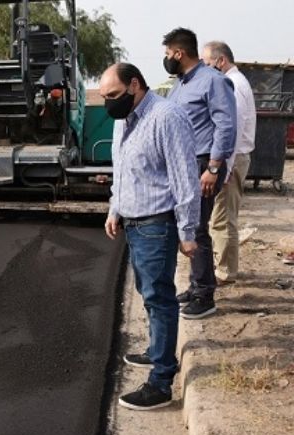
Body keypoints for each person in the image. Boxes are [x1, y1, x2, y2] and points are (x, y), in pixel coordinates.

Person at [100, 63, 201, 410]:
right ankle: (155, 350)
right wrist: (115, 208)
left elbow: (185, 177)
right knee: (148, 292)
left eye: (112, 95)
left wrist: (187, 231)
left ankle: (161, 382)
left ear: (134, 85)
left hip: (157, 224)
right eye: (103, 97)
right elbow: (123, 171)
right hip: (133, 221)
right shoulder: (122, 120)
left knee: (160, 298)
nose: (108, 103)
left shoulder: (165, 117)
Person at [163, 28, 237, 319]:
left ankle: (205, 295)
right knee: (187, 225)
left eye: (168, 54)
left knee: (198, 228)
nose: (166, 59)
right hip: (183, 164)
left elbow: (226, 126)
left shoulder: (213, 81)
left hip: (203, 164)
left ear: (179, 53)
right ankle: (195, 285)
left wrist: (213, 168)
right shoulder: (180, 84)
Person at [202, 41, 257, 284]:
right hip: (234, 159)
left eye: (207, 64)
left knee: (222, 219)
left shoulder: (232, 85)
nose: (206, 70)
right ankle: (226, 268)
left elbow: (231, 132)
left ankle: (224, 272)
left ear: (220, 60)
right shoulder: (237, 82)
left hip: (232, 160)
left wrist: (222, 170)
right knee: (224, 217)